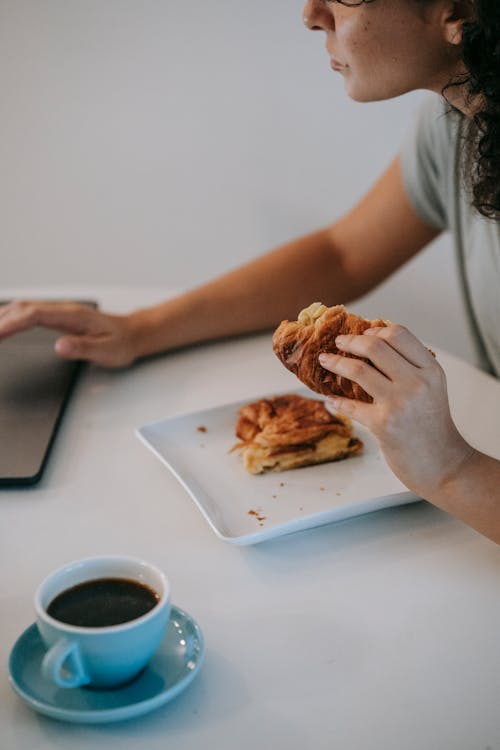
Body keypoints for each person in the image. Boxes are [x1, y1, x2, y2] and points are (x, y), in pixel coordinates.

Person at [1, 0, 499, 543]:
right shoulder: (456, 121)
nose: (310, 14)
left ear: (459, 12)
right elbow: (342, 254)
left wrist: (451, 468)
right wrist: (138, 329)